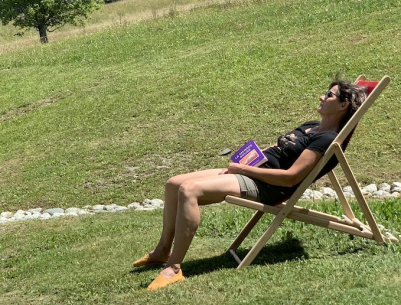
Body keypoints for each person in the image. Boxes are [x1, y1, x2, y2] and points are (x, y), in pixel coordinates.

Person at [135, 80, 367, 291]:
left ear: (343, 105)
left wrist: (243, 170)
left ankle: (174, 268)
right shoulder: (311, 126)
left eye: (329, 94)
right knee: (174, 183)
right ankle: (162, 250)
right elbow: (275, 148)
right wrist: (244, 161)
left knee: (189, 190)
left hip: (267, 185)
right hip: (252, 171)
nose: (321, 97)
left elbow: (291, 177)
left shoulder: (326, 139)